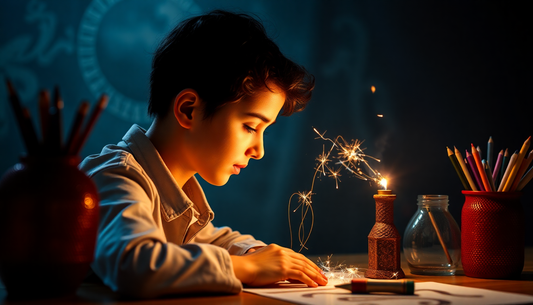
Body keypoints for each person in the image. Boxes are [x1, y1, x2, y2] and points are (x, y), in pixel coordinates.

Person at [79, 9, 327, 298]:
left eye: (263, 130)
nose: (258, 150)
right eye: (250, 126)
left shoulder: (175, 193)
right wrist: (249, 268)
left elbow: (210, 241)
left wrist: (261, 254)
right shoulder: (114, 176)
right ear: (189, 110)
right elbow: (134, 265)